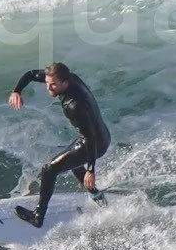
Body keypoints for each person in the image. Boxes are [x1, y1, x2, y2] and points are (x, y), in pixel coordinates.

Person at [8, 60, 109, 228]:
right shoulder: (69, 78)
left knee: (49, 169)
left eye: (53, 85)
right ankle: (95, 194)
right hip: (102, 135)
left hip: (95, 142)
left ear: (65, 82)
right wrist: (16, 91)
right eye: (47, 84)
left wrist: (91, 170)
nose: (49, 88)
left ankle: (37, 217)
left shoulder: (73, 105)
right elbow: (32, 74)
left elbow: (90, 138)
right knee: (71, 161)